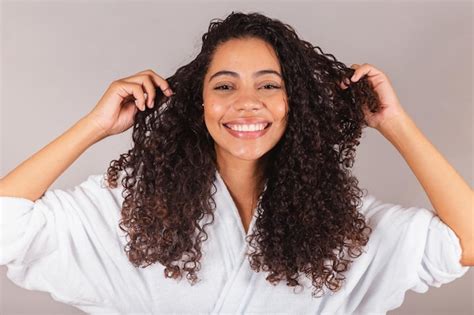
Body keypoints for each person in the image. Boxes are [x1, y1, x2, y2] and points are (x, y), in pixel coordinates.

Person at [0, 11, 472, 315]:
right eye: (224, 86)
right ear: (198, 104)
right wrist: (94, 126)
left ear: (294, 104)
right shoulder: (129, 214)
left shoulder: (342, 228)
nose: (247, 103)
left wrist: (395, 123)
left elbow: (467, 243)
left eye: (269, 85)